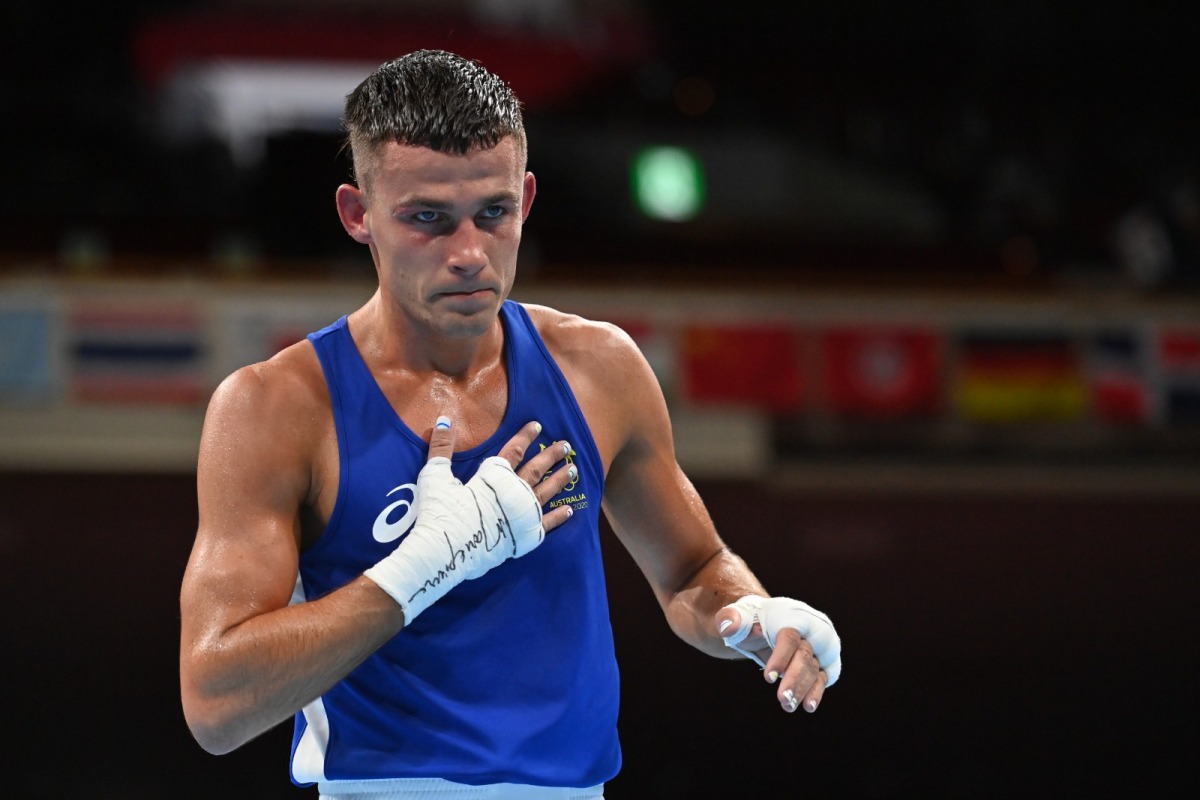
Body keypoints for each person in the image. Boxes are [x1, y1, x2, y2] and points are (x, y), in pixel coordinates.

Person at [179, 49, 841, 800]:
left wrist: (757, 616)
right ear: (358, 215)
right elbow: (216, 704)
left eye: (492, 214)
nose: (468, 254)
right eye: (428, 219)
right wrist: (426, 566)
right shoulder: (276, 407)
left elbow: (692, 572)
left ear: (525, 199)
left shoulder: (599, 370)